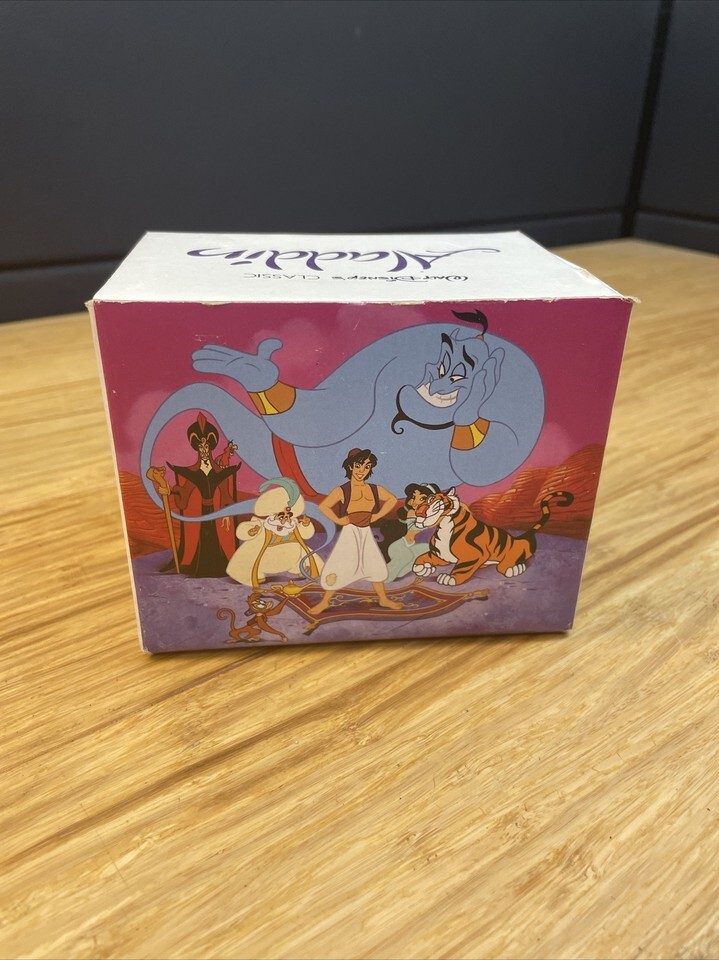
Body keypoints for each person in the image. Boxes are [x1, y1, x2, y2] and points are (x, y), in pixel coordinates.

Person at [309, 448, 401, 614]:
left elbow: (392, 499)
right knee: (339, 564)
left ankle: (383, 598)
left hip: (366, 532)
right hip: (350, 532)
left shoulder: (374, 489)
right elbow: (324, 506)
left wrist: (377, 515)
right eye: (358, 465)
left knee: (374, 564)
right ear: (350, 466)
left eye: (367, 466)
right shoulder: (342, 490)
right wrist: (338, 520)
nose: (362, 470)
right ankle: (325, 602)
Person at [167, 412, 240, 577]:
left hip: (215, 512)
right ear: (197, 449)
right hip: (202, 512)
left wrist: (226, 514)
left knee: (216, 538)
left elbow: (225, 494)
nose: (204, 450)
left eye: (206, 447)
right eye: (201, 447)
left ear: (210, 448)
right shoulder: (192, 472)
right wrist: (170, 491)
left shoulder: (219, 471)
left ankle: (219, 566)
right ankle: (201, 567)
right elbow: (184, 494)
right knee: (202, 539)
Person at [380, 482, 439, 582]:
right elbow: (416, 526)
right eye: (414, 497)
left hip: (411, 545)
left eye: (422, 498)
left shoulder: (427, 516)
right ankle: (384, 579)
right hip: (398, 544)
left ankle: (398, 573)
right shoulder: (412, 513)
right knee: (406, 556)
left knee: (427, 549)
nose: (415, 501)